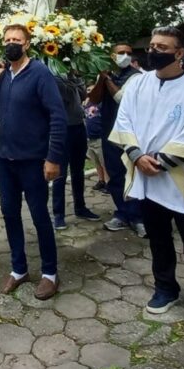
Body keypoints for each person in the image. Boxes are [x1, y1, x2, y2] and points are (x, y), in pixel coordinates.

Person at [109, 26, 184, 329]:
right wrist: (136, 155)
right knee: (158, 239)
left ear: (180, 53)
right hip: (147, 177)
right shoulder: (138, 84)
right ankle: (165, 289)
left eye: (162, 46)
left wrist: (161, 161)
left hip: (182, 177)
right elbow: (125, 121)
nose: (154, 50)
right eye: (152, 45)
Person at [0, 24, 67, 300]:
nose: (11, 44)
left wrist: (53, 158)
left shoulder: (40, 74)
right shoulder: (4, 74)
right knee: (9, 214)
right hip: (6, 161)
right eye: (7, 40)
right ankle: (19, 269)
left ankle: (49, 273)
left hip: (33, 160)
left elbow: (58, 116)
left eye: (16, 40)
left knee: (40, 216)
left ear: (27, 43)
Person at [87, 43, 145, 237]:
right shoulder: (105, 74)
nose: (125, 56)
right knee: (115, 174)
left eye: (129, 53)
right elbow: (94, 99)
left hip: (130, 134)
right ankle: (122, 213)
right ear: (111, 56)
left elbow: (121, 98)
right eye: (121, 53)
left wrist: (106, 78)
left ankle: (138, 217)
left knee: (132, 174)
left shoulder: (136, 76)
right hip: (109, 131)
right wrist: (100, 80)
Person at [52, 73, 101, 228]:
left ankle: (80, 207)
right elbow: (63, 96)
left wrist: (77, 78)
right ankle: (58, 214)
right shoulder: (54, 74)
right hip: (61, 129)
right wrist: (71, 81)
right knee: (60, 174)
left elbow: (83, 95)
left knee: (78, 171)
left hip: (78, 126)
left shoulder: (76, 74)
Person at [84, 98, 108, 191]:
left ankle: (108, 182)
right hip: (89, 138)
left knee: (104, 162)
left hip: (99, 137)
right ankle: (101, 180)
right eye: (88, 90)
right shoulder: (87, 104)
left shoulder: (100, 103)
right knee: (96, 162)